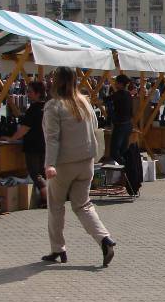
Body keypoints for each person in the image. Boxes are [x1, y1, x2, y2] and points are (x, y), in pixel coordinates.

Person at [42, 67, 116, 267]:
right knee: (83, 205)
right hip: (87, 161)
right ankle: (104, 239)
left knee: (56, 206)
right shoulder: (85, 102)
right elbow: (94, 128)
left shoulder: (54, 106)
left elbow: (52, 138)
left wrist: (49, 164)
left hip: (63, 164)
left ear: (55, 81)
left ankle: (58, 248)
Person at [3, 81, 47, 207]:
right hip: (45, 144)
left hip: (33, 145)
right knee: (43, 172)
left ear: (38, 93)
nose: (28, 94)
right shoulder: (47, 107)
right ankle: (48, 197)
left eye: (30, 92)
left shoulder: (33, 109)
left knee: (35, 173)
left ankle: (46, 198)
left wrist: (11, 139)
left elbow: (24, 129)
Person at [108, 74, 133, 165]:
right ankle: (127, 168)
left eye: (116, 82)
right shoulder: (128, 94)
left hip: (120, 126)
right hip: (128, 125)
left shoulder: (118, 94)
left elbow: (107, 100)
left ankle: (126, 166)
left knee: (114, 152)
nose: (115, 84)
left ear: (121, 84)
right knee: (123, 151)